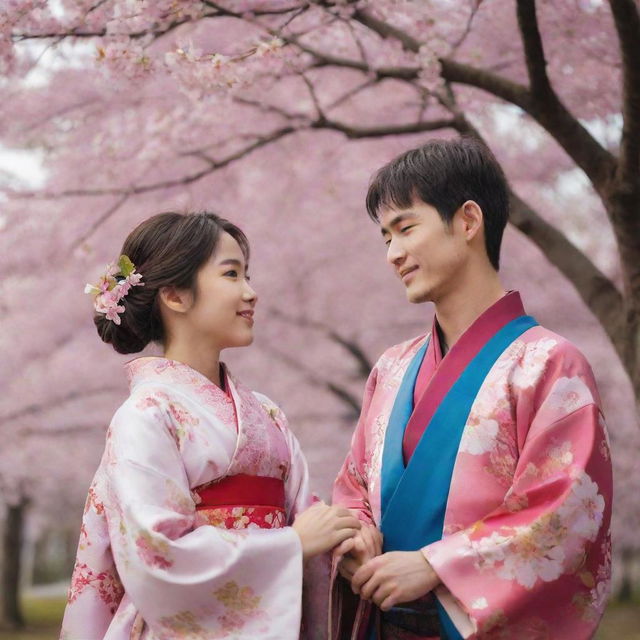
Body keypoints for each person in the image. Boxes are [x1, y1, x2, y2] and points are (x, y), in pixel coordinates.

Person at [330, 138, 612, 640]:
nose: (393, 254)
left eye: (405, 228)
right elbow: (354, 487)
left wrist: (437, 566)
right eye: (385, 238)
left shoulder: (549, 363)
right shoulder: (391, 368)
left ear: (467, 221)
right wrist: (353, 538)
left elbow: (563, 516)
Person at [61, 211, 360, 639]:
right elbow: (157, 554)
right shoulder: (146, 415)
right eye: (232, 274)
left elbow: (307, 518)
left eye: (247, 275)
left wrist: (345, 540)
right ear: (176, 296)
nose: (251, 292)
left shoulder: (268, 414)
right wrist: (291, 545)